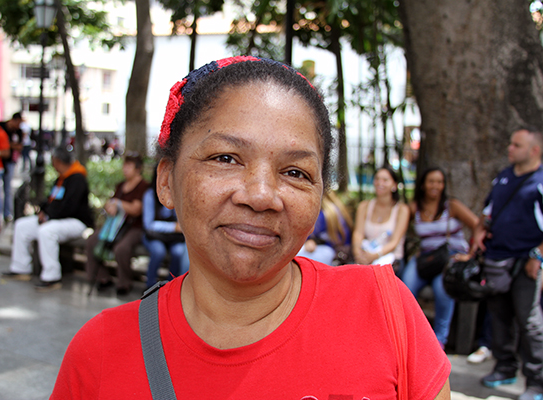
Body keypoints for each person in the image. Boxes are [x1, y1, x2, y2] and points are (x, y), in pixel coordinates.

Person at [51, 57, 450, 398]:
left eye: (295, 172)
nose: (260, 196)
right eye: (226, 158)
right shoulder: (100, 352)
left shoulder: (383, 309)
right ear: (167, 181)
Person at [472, 128, 543, 399]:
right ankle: (505, 367)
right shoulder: (503, 177)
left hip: (526, 262)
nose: (510, 148)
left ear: (533, 150)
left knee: (529, 320)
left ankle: (536, 381)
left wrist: (537, 256)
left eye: (517, 145)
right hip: (496, 259)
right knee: (499, 316)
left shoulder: (539, 181)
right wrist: (479, 232)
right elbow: (488, 213)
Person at [401, 167, 479, 349]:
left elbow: (477, 225)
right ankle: (410, 338)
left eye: (439, 182)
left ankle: (439, 342)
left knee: (442, 288)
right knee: (406, 286)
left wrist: (471, 254)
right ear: (423, 185)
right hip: (426, 257)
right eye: (431, 181)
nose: (435, 186)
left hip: (449, 257)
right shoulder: (415, 208)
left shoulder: (451, 206)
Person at [1, 146, 93, 291]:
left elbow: (69, 207)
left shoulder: (77, 179)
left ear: (57, 161)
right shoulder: (61, 178)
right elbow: (51, 200)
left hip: (76, 221)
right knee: (22, 225)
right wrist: (43, 212)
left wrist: (49, 216)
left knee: (46, 231)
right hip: (55, 219)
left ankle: (52, 277)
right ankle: (20, 267)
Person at [85, 152, 148, 295]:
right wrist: (110, 206)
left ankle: (124, 283)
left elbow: (136, 209)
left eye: (129, 165)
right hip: (114, 225)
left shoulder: (143, 186)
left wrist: (118, 204)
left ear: (138, 168)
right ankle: (102, 278)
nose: (125, 168)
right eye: (124, 165)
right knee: (92, 242)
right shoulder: (121, 185)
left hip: (133, 227)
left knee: (122, 248)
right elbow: (111, 202)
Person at [352, 166, 410, 269]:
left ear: (394, 185)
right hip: (365, 257)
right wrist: (358, 254)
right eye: (377, 179)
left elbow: (394, 242)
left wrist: (374, 256)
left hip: (391, 260)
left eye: (385, 180)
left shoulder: (402, 210)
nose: (380, 183)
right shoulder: (364, 206)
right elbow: (358, 233)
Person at [142, 164, 189, 290]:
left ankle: (170, 286)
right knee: (158, 252)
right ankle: (150, 285)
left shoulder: (178, 193)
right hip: (154, 236)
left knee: (178, 252)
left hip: (173, 238)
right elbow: (148, 224)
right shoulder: (150, 195)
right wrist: (173, 227)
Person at [297, 190, 353, 265]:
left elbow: (304, 237)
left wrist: (311, 241)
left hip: (332, 253)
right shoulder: (336, 209)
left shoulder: (324, 215)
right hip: (341, 253)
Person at [0, 112, 24, 223]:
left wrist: (7, 145)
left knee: (8, 189)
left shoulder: (19, 132)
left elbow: (19, 146)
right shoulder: (1, 127)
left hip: (10, 162)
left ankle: (7, 213)